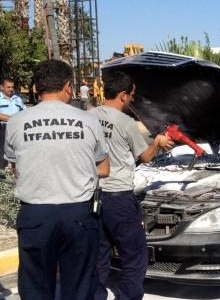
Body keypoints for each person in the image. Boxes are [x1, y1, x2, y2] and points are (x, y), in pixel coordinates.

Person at [4, 59, 109, 300]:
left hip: (35, 216)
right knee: (80, 287)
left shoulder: (16, 122)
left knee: (35, 287)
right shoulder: (89, 120)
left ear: (36, 88)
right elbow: (103, 168)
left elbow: (16, 168)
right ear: (68, 86)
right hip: (79, 215)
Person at [89, 71, 173, 300]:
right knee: (134, 256)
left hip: (93, 197)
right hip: (119, 199)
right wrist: (156, 142)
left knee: (99, 254)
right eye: (132, 95)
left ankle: (96, 295)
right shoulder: (125, 122)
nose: (133, 100)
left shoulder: (88, 116)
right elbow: (145, 157)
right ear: (123, 95)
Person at [0, 78, 26, 169]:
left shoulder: (17, 99)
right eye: (8, 87)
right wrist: (15, 119)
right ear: (2, 87)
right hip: (3, 129)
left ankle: (17, 177)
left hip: (17, 129)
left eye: (12, 87)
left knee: (18, 153)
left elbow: (24, 112)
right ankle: (1, 180)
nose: (10, 89)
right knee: (2, 154)